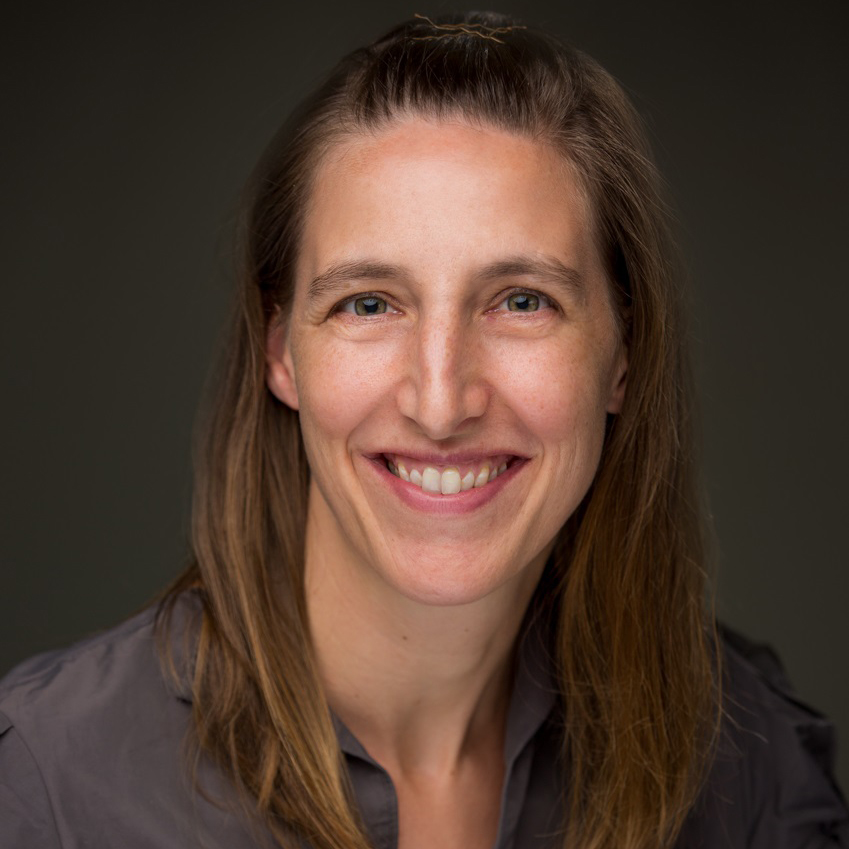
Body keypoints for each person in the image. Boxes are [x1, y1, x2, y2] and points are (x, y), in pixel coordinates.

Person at [0, 11, 846, 849]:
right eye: (367, 303)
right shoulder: (48, 792)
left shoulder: (746, 764)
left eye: (521, 300)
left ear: (621, 353)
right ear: (280, 352)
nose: (440, 404)